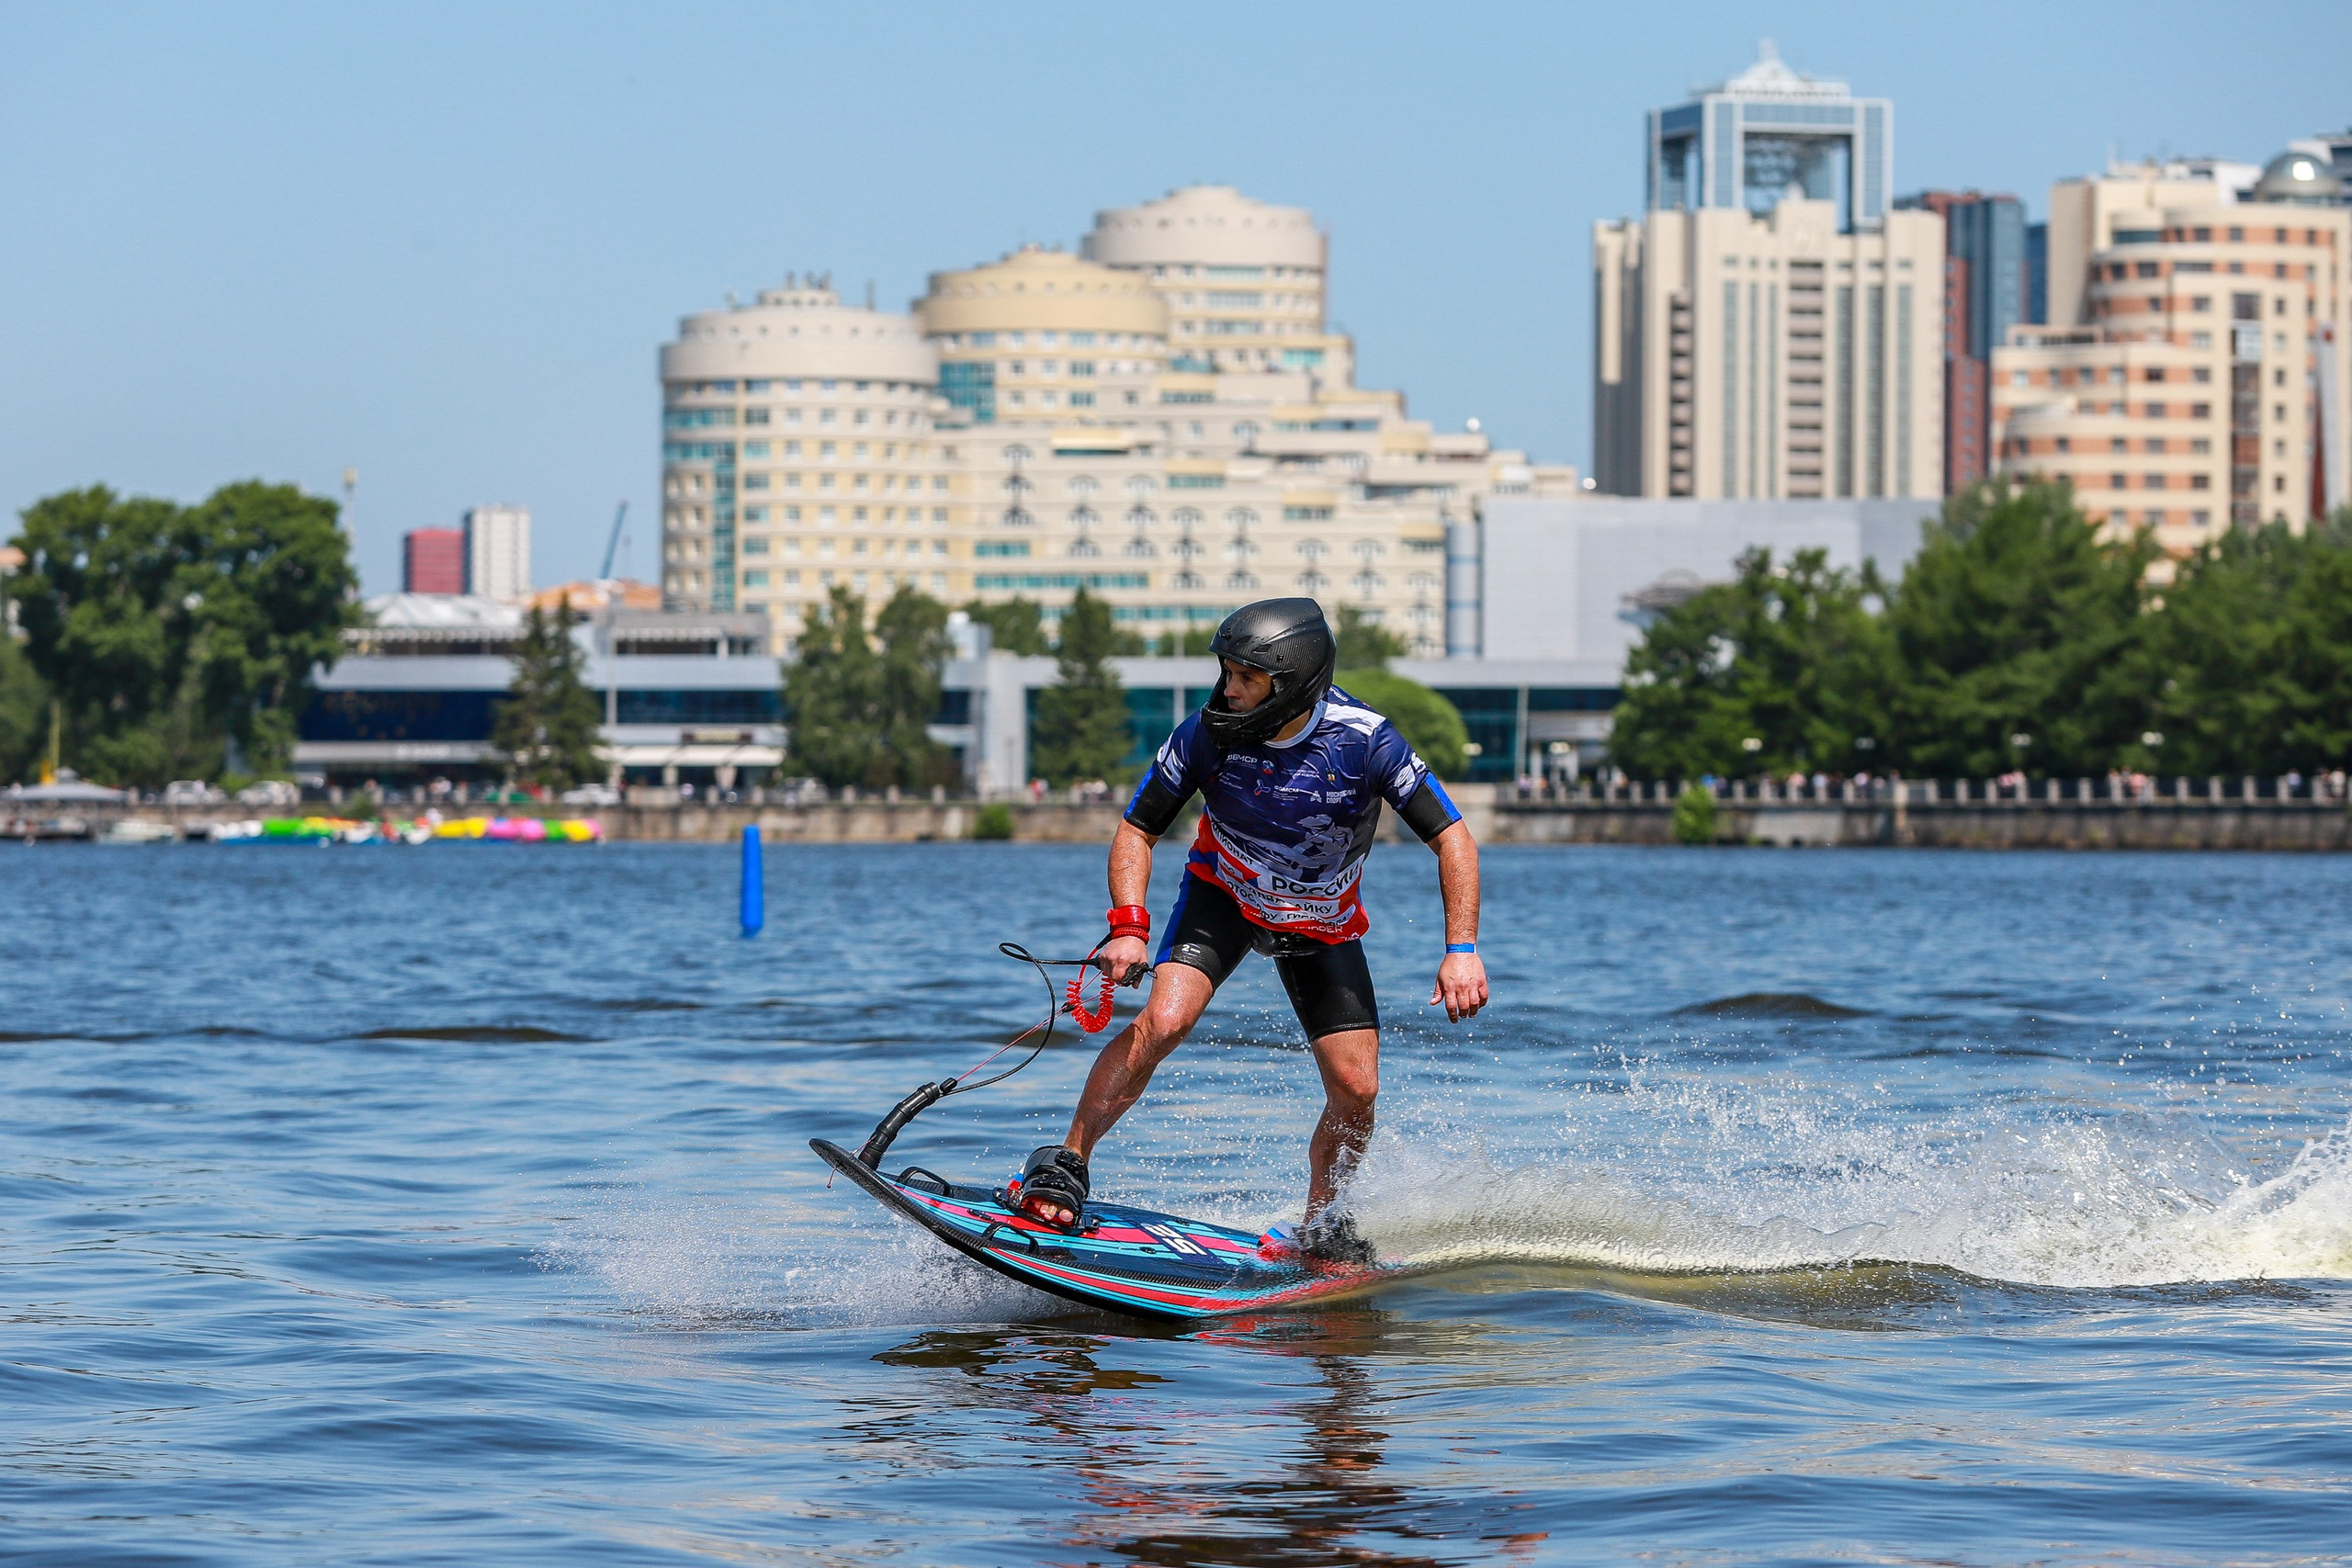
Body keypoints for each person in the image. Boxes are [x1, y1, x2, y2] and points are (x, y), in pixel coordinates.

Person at [1012, 598, 1488, 1262]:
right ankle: (1066, 1161)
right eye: (1225, 671)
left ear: (1290, 683)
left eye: (1244, 677)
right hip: (1223, 896)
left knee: (1358, 1089)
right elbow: (1138, 826)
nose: (1227, 689)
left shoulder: (1367, 740)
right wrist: (1127, 926)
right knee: (1165, 1020)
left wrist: (1460, 950)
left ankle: (1323, 1223)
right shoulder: (1207, 733)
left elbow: (1453, 837)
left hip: (1322, 923)